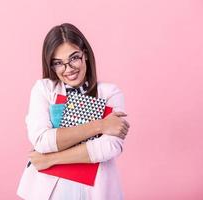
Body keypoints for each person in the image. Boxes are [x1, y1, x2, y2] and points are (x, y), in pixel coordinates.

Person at [17, 23, 130, 200]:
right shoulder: (44, 89)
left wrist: (50, 159)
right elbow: (41, 141)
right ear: (51, 65)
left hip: (96, 190)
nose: (68, 69)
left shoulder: (109, 93)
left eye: (74, 58)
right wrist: (101, 125)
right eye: (58, 63)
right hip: (49, 190)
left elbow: (109, 147)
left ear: (84, 54)